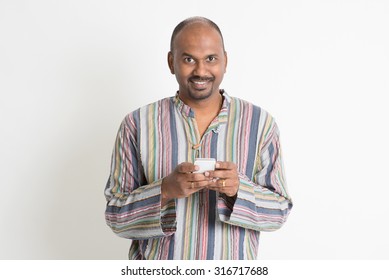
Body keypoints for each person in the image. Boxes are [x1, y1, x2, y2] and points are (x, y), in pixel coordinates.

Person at [104, 16, 293, 260]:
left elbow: (279, 212)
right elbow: (115, 216)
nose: (201, 70)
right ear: (172, 62)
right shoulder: (137, 124)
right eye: (188, 59)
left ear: (225, 61)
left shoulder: (260, 124)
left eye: (211, 59)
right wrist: (165, 190)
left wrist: (238, 190)